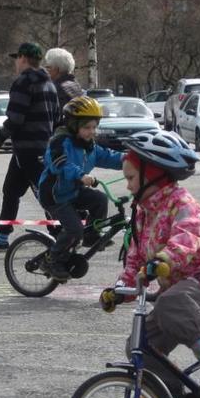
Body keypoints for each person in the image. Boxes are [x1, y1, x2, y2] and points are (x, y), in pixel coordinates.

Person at [104, 130, 200, 397]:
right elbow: (135, 262)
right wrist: (119, 289)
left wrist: (164, 260)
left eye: (131, 178)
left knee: (169, 302)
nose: (128, 186)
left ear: (151, 174)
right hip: (177, 292)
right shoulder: (143, 214)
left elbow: (186, 239)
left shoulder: (183, 204)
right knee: (139, 346)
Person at [0, 42, 60, 250]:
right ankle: (2, 237)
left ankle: (61, 234)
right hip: (39, 147)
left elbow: (15, 118)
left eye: (17, 58)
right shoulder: (49, 83)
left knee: (44, 194)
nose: (15, 63)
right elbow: (57, 117)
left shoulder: (23, 82)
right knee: (11, 191)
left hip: (28, 150)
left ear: (23, 58)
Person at [37, 96, 124, 282]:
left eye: (94, 127)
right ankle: (51, 260)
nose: (91, 132)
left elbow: (109, 157)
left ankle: (91, 236)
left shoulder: (89, 146)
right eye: (86, 128)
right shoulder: (59, 142)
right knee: (74, 229)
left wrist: (133, 159)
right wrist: (80, 176)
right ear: (74, 125)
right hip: (55, 195)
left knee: (99, 199)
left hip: (73, 191)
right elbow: (60, 164)